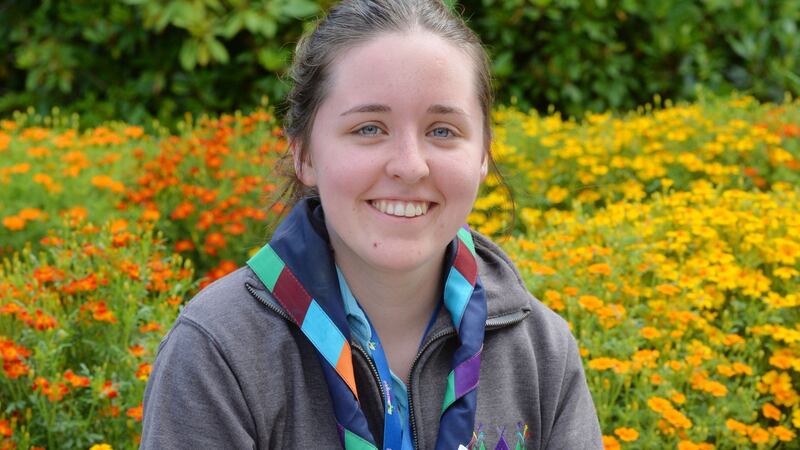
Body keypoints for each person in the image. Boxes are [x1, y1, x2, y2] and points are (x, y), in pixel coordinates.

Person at [140, 1, 602, 448]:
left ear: (482, 154)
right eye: (369, 129)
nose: (409, 166)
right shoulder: (219, 351)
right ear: (303, 153)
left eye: (442, 130)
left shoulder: (541, 350)